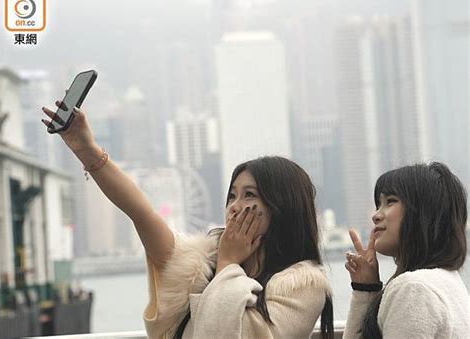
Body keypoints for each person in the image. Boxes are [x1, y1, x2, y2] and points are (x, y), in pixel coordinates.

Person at [42, 102, 334, 338]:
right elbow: (140, 212)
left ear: (282, 207)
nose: (235, 207)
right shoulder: (197, 264)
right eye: (232, 196)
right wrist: (86, 149)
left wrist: (228, 267)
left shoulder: (303, 285)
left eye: (249, 196)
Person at [343, 163, 468, 338]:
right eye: (378, 204)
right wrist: (366, 289)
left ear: (422, 212)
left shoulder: (414, 289)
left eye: (390, 201)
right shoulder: (447, 280)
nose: (376, 215)